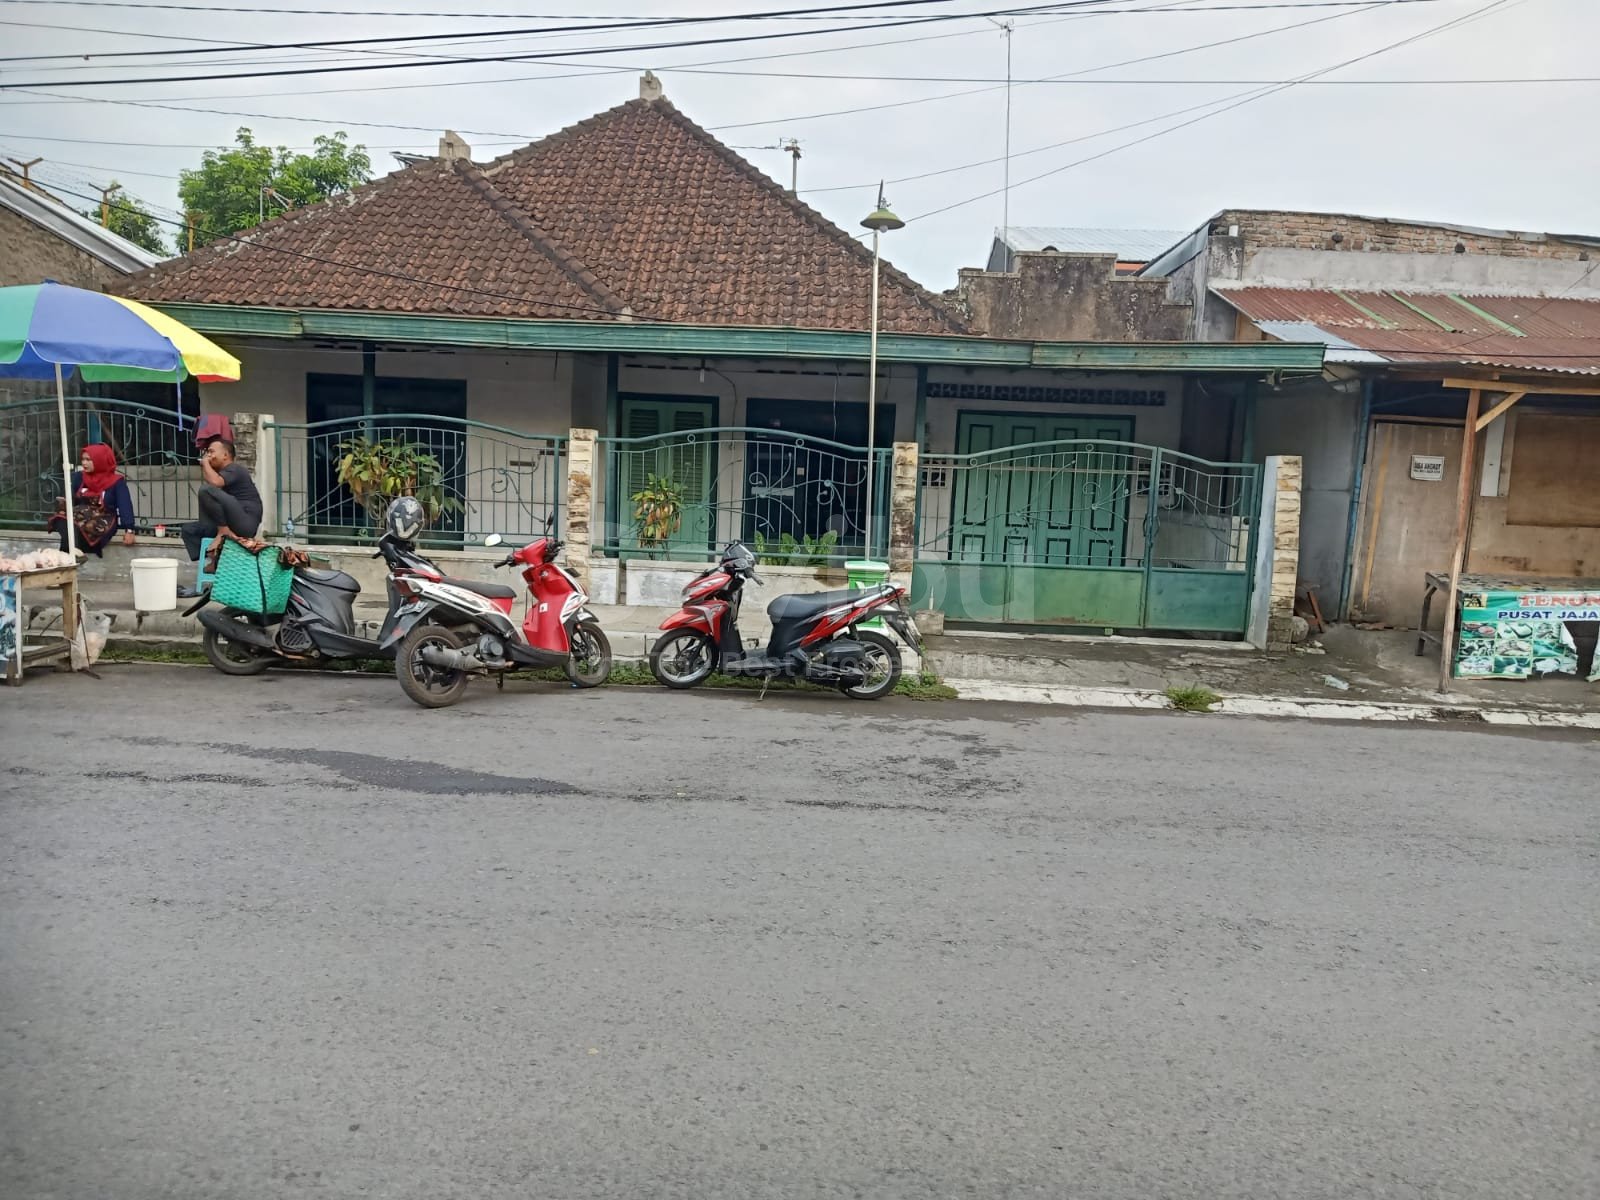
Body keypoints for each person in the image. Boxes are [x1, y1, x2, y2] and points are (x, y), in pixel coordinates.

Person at [178, 438, 263, 594]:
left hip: (245, 521)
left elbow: (215, 482)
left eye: (211, 452)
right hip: (230, 521)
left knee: (205, 490)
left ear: (225, 455)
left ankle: (222, 533)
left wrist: (205, 463)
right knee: (189, 530)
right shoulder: (221, 474)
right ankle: (215, 560)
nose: (208, 455)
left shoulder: (235, 469)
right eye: (207, 453)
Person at [46, 443, 137, 556]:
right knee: (63, 520)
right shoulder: (79, 477)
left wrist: (129, 530)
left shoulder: (117, 482)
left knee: (77, 528)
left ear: (100, 460)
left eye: (88, 460)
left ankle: (69, 556)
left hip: (103, 519)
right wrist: (65, 501)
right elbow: (71, 498)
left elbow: (125, 506)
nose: (84, 463)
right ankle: (70, 555)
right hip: (79, 516)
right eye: (83, 459)